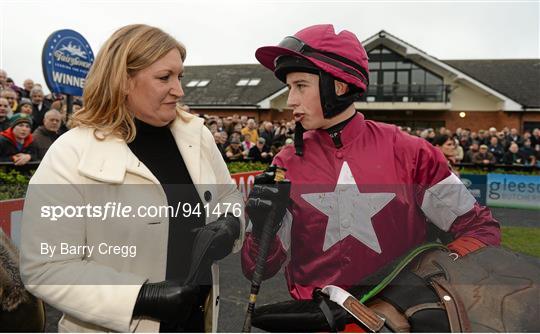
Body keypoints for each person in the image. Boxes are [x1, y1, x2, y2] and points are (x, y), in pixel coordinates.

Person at [241, 24, 500, 330]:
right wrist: (260, 228)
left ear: (337, 86)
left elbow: (481, 231)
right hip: (316, 322)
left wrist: (418, 288)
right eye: (289, 88)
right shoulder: (284, 163)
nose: (290, 101)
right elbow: (259, 268)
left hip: (397, 324)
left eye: (300, 86)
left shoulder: (413, 153)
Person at [19, 24, 244, 333]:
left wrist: (232, 223)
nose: (179, 90)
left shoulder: (197, 135)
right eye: (165, 77)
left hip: (197, 323)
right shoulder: (70, 154)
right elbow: (45, 267)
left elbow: (228, 198)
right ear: (123, 81)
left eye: (180, 76)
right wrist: (140, 297)